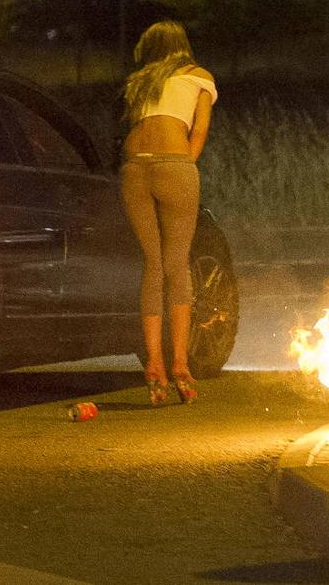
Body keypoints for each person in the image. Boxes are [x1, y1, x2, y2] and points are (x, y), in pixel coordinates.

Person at [120, 20, 217, 405]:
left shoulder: (139, 82)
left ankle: (153, 363)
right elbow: (199, 133)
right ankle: (179, 363)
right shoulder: (199, 77)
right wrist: (182, 167)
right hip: (173, 164)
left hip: (134, 168)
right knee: (177, 266)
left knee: (152, 264)